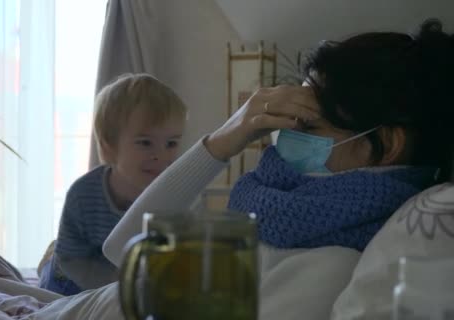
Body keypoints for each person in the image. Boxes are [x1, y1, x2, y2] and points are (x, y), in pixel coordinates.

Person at [102, 19, 454, 319]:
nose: (285, 140)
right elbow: (121, 249)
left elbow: (124, 255)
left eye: (308, 127)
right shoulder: (273, 208)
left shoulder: (329, 265)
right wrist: (226, 138)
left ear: (388, 144)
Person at [39, 73, 188, 295]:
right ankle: (49, 258)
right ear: (109, 146)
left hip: (131, 274)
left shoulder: (172, 196)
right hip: (76, 274)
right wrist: (114, 285)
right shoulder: (82, 195)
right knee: (55, 291)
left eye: (171, 143)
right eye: (145, 143)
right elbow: (72, 260)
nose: (161, 155)